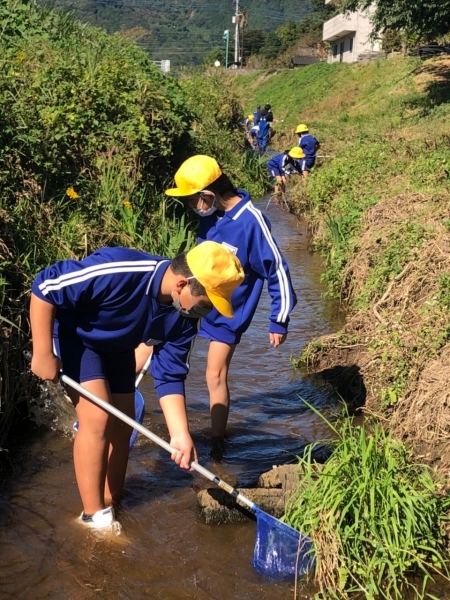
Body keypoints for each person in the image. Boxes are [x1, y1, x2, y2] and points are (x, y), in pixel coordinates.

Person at [29, 241, 244, 531]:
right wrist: (43, 352)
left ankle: (111, 499)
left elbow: (169, 375)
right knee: (98, 418)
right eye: (206, 305)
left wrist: (179, 435)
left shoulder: (182, 319)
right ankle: (93, 517)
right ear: (182, 285)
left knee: (124, 421)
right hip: (76, 337)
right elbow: (46, 285)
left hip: (118, 347)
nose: (205, 316)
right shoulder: (121, 270)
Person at [165, 155, 297, 441]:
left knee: (214, 375)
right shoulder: (212, 216)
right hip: (194, 300)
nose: (190, 207)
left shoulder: (253, 222)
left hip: (227, 312)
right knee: (153, 347)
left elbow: (276, 270)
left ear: (208, 195)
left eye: (191, 200)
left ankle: (216, 442)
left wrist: (279, 319)